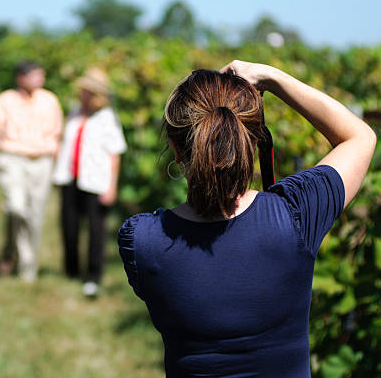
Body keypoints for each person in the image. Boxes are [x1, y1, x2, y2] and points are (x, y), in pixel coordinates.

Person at [117, 61, 376, 377]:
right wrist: (273, 78)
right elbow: (360, 137)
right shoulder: (295, 215)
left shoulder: (142, 242)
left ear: (175, 147)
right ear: (252, 142)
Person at [0, 61, 63, 283]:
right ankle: (17, 255)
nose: (40, 80)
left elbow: (56, 139)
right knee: (16, 208)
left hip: (42, 162)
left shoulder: (50, 101)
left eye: (41, 75)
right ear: (20, 78)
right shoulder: (5, 101)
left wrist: (59, 172)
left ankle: (25, 264)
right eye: (35, 76)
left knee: (35, 215)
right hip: (13, 160)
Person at [54, 68, 127, 297]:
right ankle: (71, 270)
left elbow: (115, 154)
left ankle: (93, 275)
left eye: (88, 91)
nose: (83, 94)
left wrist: (111, 185)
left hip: (96, 182)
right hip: (71, 178)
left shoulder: (107, 118)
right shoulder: (75, 113)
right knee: (69, 225)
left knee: (96, 230)